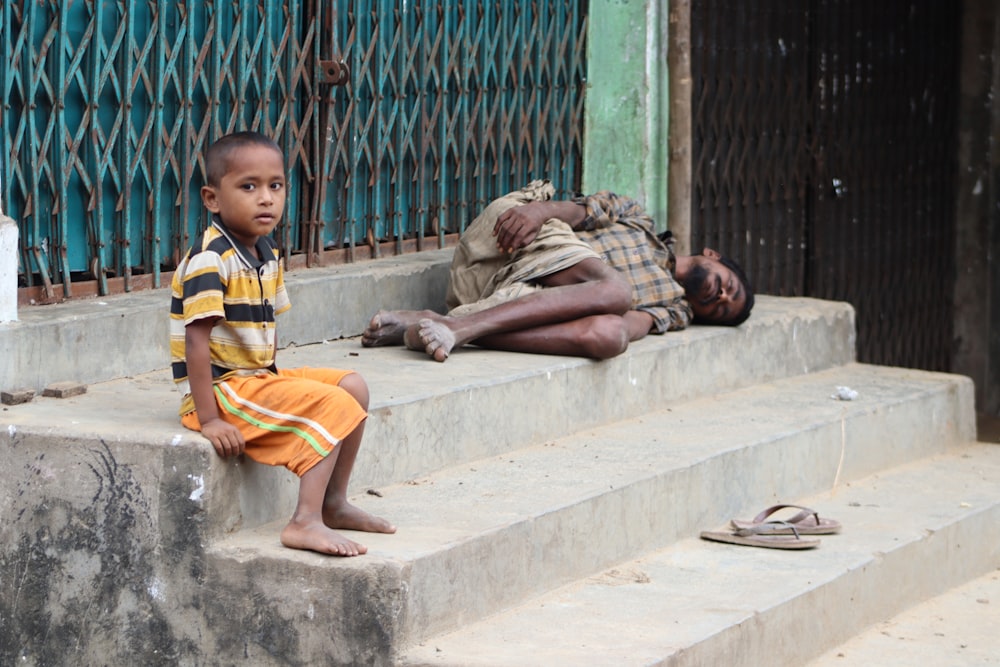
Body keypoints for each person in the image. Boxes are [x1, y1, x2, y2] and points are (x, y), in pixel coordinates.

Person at [169, 131, 395, 557]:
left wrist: (283, 388)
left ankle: (333, 502)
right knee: (335, 406)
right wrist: (210, 418)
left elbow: (265, 330)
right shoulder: (209, 260)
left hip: (255, 379)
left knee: (353, 387)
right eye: (249, 187)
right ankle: (303, 522)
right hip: (223, 390)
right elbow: (196, 344)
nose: (266, 199)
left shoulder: (264, 251)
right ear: (212, 198)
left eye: (275, 186)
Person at [362, 180, 753, 361]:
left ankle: (447, 325)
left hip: (513, 298)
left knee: (610, 334)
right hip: (508, 244)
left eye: (721, 308)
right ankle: (458, 328)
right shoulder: (639, 219)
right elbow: (578, 212)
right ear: (712, 254)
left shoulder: (674, 309)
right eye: (728, 288)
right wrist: (541, 209)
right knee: (616, 292)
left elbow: (623, 326)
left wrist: (617, 328)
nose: (720, 296)